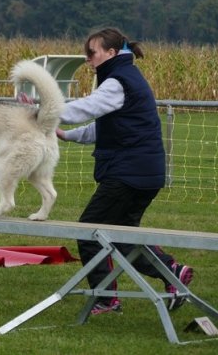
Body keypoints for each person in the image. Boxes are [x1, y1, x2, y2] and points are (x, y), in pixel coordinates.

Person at [55, 27, 193, 315]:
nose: (87, 59)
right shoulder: (123, 78)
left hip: (130, 173)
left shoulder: (117, 81)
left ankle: (106, 298)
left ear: (111, 53)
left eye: (91, 53)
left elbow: (87, 108)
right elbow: (103, 127)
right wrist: (67, 135)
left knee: (91, 230)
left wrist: (44, 111)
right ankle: (173, 272)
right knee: (121, 235)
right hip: (142, 171)